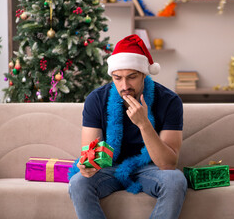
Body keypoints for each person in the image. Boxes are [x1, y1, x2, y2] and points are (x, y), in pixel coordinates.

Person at [68, 34, 187, 219]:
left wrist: (144, 124)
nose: (124, 85)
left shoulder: (169, 101)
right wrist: (87, 166)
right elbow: (90, 154)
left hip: (150, 168)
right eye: (117, 78)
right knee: (78, 182)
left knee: (176, 180)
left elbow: (168, 164)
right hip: (109, 168)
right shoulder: (96, 99)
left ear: (144, 74)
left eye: (132, 77)